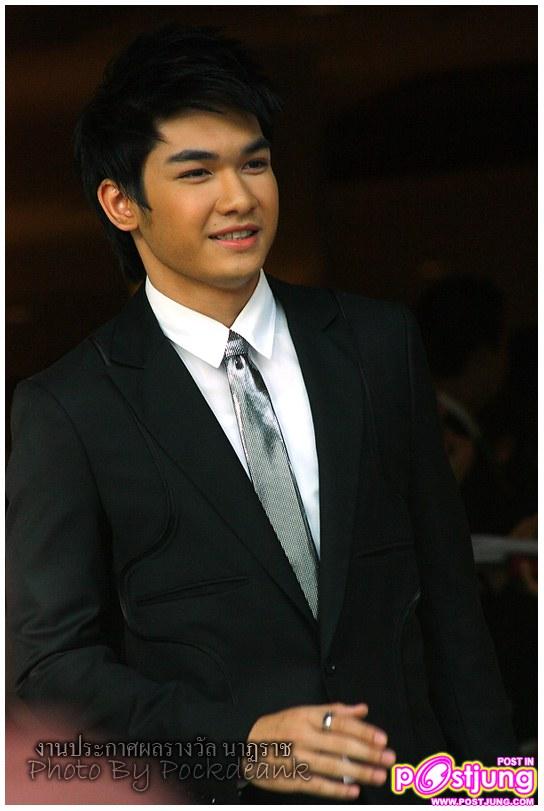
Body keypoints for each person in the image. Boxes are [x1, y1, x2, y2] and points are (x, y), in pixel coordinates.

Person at [6, 25, 516, 804]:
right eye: (197, 171)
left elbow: (453, 611)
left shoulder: (377, 346)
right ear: (121, 201)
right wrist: (240, 746)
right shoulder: (69, 409)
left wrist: (498, 790)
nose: (240, 196)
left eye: (254, 162)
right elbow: (49, 670)